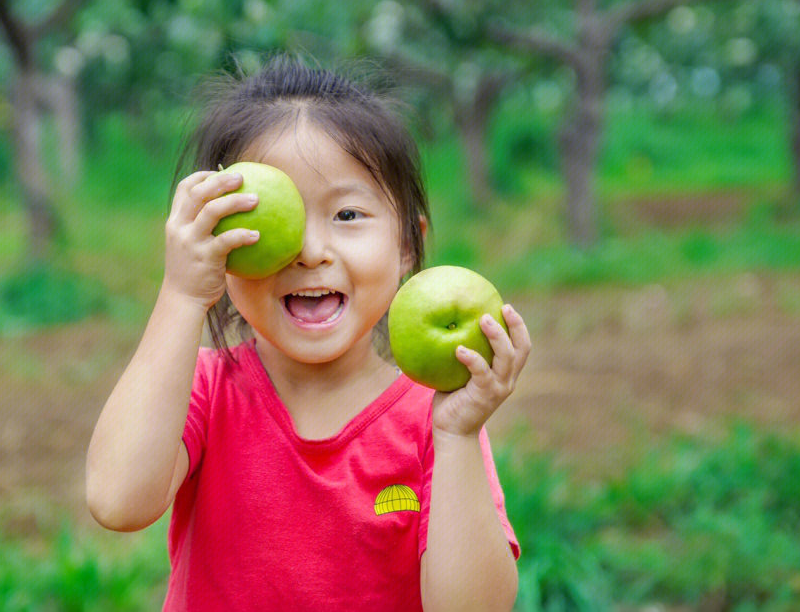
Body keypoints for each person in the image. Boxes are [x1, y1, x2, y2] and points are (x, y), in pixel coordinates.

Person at [86, 57, 531, 611]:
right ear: (220, 245)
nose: (310, 250)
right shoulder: (205, 392)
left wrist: (460, 437)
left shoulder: (433, 422)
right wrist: (181, 294)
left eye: (347, 215)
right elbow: (117, 500)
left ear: (407, 248)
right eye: (283, 218)